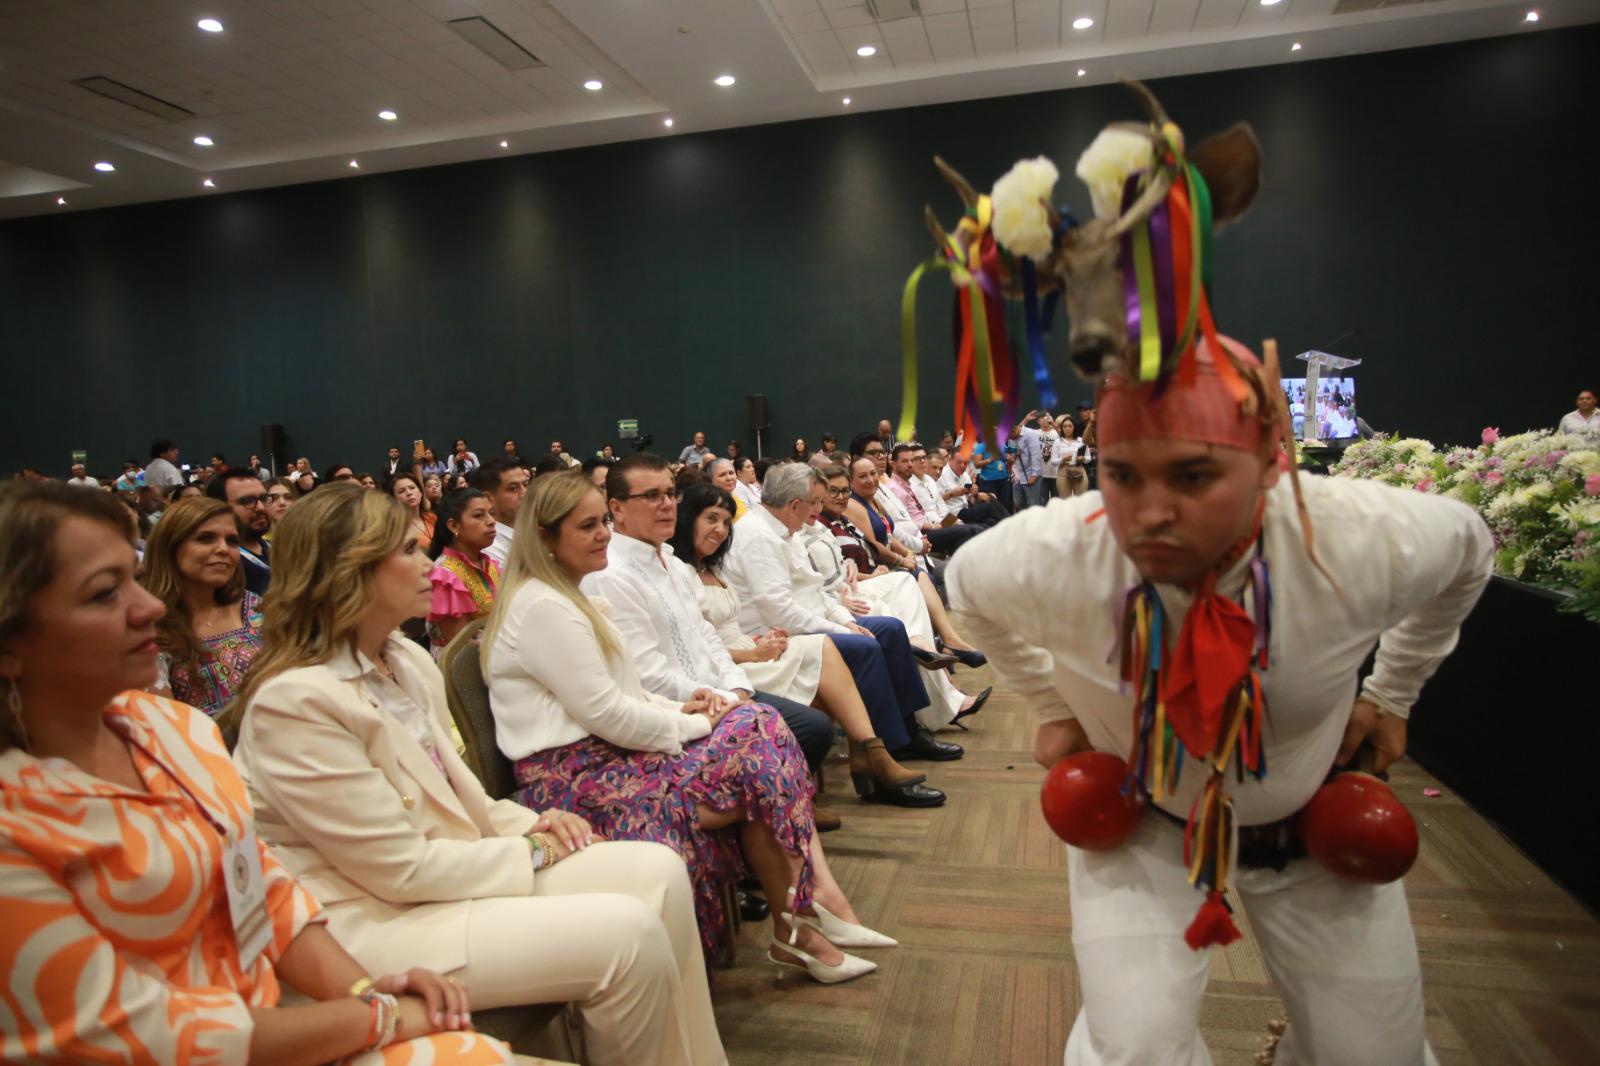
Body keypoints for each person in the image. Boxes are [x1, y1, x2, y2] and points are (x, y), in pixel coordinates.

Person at [947, 338, 1493, 1065]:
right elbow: (967, 592)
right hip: (1141, 817)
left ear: (1273, 461)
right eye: (1122, 476)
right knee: (1134, 1053)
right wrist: (1049, 704)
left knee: (1376, 1057)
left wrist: (1394, 693)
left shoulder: (1362, 539)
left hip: (1307, 814)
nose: (1149, 513)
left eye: (1194, 475)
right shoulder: (1050, 556)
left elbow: (1470, 553)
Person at [0, 480, 513, 1065]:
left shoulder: (174, 731)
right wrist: (378, 1016)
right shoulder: (15, 821)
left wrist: (364, 994)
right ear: (9, 645)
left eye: (137, 581)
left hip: (275, 1018)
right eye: (102, 594)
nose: (147, 608)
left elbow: (268, 895)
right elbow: (143, 1037)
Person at [227, 482, 725, 1066]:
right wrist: (534, 850)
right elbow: (399, 871)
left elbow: (457, 795)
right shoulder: (295, 702)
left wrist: (532, 819)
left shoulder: (405, 658)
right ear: (350, 571)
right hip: (367, 923)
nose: (428, 561)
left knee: (658, 870)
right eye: (407, 551)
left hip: (444, 872)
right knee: (627, 937)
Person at [485, 472, 890, 982]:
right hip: (577, 774)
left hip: (609, 750)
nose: (603, 534)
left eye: (602, 523)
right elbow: (609, 712)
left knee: (756, 725)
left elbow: (628, 689)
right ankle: (812, 911)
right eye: (587, 526)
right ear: (545, 538)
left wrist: (690, 708)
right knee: (756, 745)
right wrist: (693, 723)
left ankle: (805, 920)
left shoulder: (569, 594)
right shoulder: (546, 606)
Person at [670, 481, 942, 808]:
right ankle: (873, 754)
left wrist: (838, 618)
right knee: (849, 648)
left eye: (726, 521)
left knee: (858, 638)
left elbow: (816, 589)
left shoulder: (715, 562)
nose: (721, 529)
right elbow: (709, 639)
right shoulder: (737, 546)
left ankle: (875, 749)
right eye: (711, 519)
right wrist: (756, 649)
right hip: (733, 663)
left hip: (754, 642)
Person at [723, 463, 962, 766]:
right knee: (866, 646)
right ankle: (888, 747)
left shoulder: (784, 528)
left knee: (890, 629)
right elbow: (780, 612)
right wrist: (841, 629)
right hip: (778, 635)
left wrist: (845, 620)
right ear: (795, 504)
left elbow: (817, 589)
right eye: (815, 502)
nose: (818, 509)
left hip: (809, 619)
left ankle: (910, 731)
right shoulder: (759, 537)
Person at [801, 470, 991, 733]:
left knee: (911, 580)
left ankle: (936, 644)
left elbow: (889, 535)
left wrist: (852, 565)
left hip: (881, 566)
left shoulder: (840, 517)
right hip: (848, 593)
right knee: (906, 593)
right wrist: (900, 558)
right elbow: (881, 544)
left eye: (843, 491)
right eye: (832, 492)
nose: (839, 496)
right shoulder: (817, 521)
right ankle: (935, 663)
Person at [140, 495, 263, 723]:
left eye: (232, 541)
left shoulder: (258, 607)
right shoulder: (148, 628)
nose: (223, 549)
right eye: (205, 539)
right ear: (171, 547)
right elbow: (162, 727)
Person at [426, 488, 502, 655]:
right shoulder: (444, 576)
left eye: (491, 513)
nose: (491, 521)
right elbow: (463, 648)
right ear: (454, 525)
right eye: (479, 515)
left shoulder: (490, 564)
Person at [885, 444, 984, 555]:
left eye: (923, 458)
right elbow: (911, 521)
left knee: (979, 528)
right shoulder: (900, 486)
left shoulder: (928, 481)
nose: (920, 462)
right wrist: (937, 526)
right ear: (893, 464)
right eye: (917, 459)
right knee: (969, 530)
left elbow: (943, 509)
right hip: (923, 532)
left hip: (939, 524)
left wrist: (954, 521)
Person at [207, 468, 273, 596]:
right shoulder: (220, 563)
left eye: (264, 498)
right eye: (247, 501)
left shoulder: (277, 549)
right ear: (218, 506)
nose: (260, 508)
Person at [470, 456, 530, 567]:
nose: (525, 493)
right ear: (488, 499)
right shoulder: (490, 549)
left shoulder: (535, 527)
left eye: (526, 484)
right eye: (513, 488)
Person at [390, 471, 436, 548]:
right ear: (394, 499)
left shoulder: (432, 517)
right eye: (401, 491)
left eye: (412, 488)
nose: (409, 493)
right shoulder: (395, 529)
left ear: (420, 492)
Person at [1055, 415, 1091, 498]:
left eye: (1070, 426)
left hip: (1079, 469)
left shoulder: (1081, 440)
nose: (1067, 428)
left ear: (1074, 427)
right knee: (1065, 501)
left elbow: (1089, 458)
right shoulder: (1058, 442)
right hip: (1063, 470)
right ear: (1062, 428)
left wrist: (1083, 458)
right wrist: (1062, 459)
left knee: (1081, 499)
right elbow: (1053, 461)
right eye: (1065, 426)